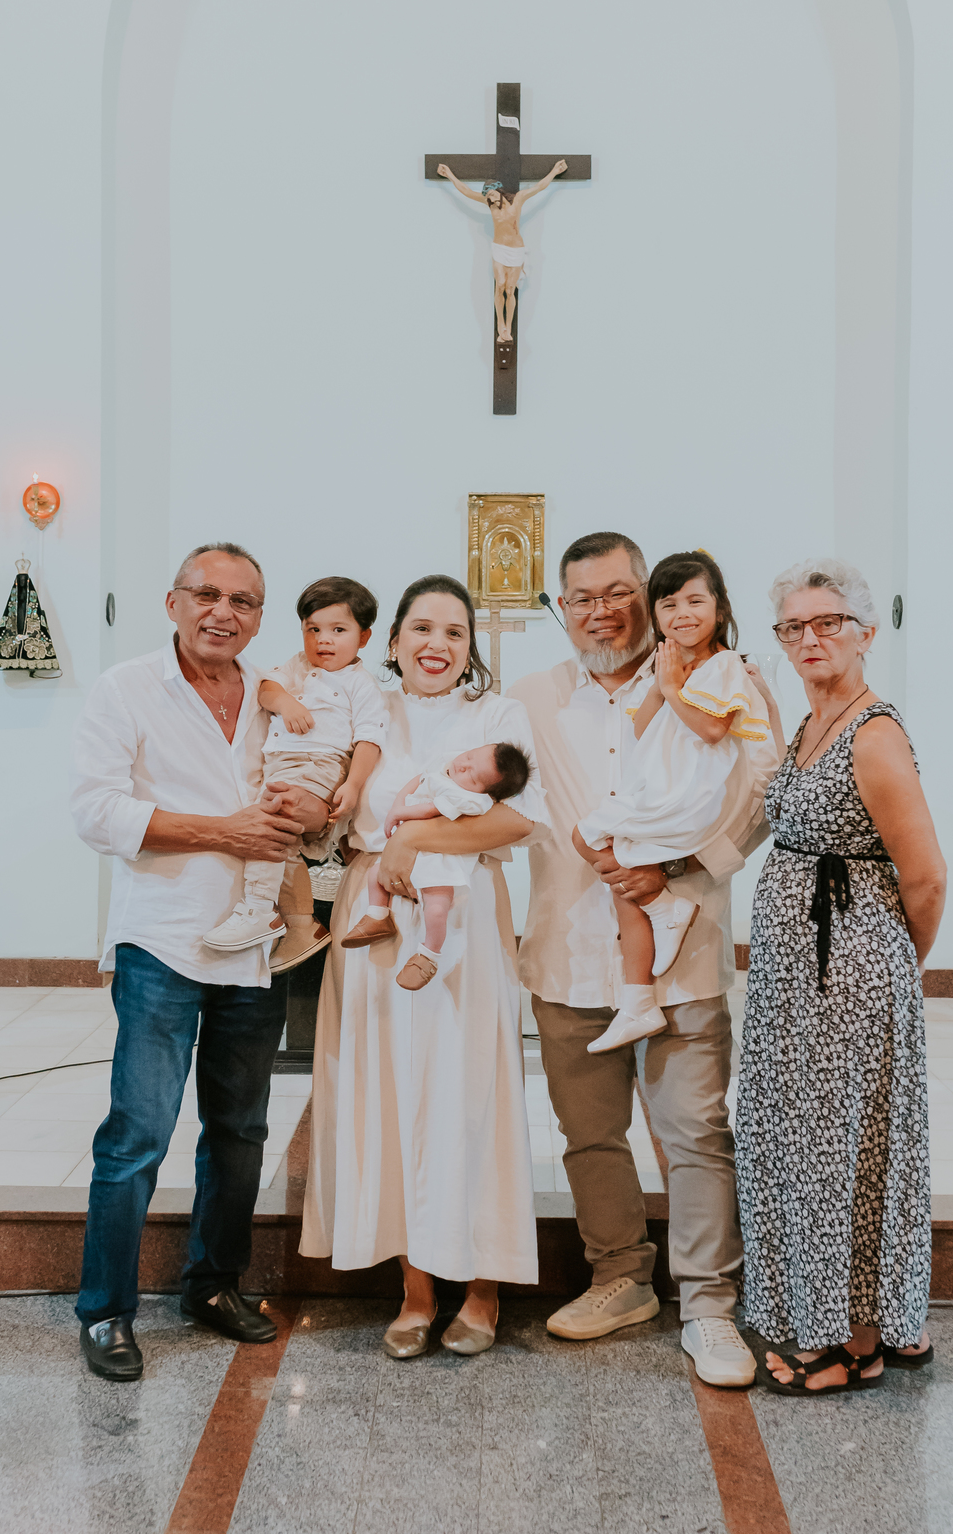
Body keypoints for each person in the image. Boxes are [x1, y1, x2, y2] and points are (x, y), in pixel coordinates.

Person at [508, 533, 776, 1389]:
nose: (600, 611)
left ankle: (708, 1306)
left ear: (652, 595)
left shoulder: (722, 683)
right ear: (560, 607)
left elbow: (762, 795)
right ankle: (620, 1278)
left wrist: (686, 871)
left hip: (682, 946)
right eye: (579, 597)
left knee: (694, 1132)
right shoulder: (530, 699)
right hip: (565, 952)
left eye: (618, 591)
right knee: (589, 1137)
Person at [69, 544, 332, 1381]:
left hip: (254, 946)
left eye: (244, 601)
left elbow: (316, 812)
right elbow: (96, 810)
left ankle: (212, 1285)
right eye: (208, 595)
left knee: (240, 1130)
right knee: (139, 1133)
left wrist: (314, 812)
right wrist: (225, 830)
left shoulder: (275, 698)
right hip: (164, 939)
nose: (225, 612)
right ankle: (106, 1310)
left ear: (261, 617)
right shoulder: (127, 688)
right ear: (174, 602)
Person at [300, 576, 548, 1358]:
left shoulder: (497, 715)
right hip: (375, 919)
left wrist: (411, 842)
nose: (438, 645)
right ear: (394, 638)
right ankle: (414, 1289)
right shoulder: (362, 709)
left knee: (469, 1093)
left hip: (466, 921)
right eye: (422, 629)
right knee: (387, 1092)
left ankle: (481, 1287)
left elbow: (518, 818)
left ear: (470, 646)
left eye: (454, 632)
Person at [736, 559, 945, 1397]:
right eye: (795, 626)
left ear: (866, 630)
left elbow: (924, 877)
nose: (810, 638)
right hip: (800, 979)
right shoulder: (813, 719)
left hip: (845, 979)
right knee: (815, 1147)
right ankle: (869, 1319)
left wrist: (884, 972)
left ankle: (847, 1342)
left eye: (829, 622)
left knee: (841, 1155)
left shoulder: (873, 732)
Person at [573, 551, 770, 1052]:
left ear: (720, 609)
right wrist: (665, 685)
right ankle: (640, 992)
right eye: (669, 604)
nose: (682, 613)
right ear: (654, 616)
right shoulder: (672, 665)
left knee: (588, 839)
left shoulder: (727, 667)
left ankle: (655, 939)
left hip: (685, 800)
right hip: (660, 791)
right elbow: (641, 728)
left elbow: (710, 729)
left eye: (695, 601)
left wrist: (671, 686)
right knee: (623, 882)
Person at [205, 576, 386, 974]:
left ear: (364, 637)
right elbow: (267, 689)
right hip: (279, 765)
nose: (324, 640)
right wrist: (285, 702)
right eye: (313, 629)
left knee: (270, 824)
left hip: (320, 765)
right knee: (279, 841)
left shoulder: (361, 684)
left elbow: (370, 740)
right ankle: (300, 926)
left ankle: (259, 909)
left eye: (338, 630)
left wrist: (353, 785)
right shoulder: (298, 665)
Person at [341, 741, 532, 990]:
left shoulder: (469, 799)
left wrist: (401, 815)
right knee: (375, 875)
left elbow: (430, 810)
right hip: (413, 852)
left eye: (472, 776)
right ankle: (378, 916)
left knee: (437, 908)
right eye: (469, 756)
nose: (463, 766)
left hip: (439, 859)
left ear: (485, 792)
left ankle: (429, 954)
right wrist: (398, 805)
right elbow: (417, 780)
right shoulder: (447, 768)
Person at [437, 159, 567, 342]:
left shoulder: (518, 200)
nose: (489, 198)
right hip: (499, 248)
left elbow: (539, 187)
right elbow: (466, 191)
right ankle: (501, 327)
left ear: (499, 191)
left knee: (510, 288)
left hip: (516, 249)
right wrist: (449, 175)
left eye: (491, 194)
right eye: (487, 196)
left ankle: (509, 327)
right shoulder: (489, 205)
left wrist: (554, 171)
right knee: (499, 286)